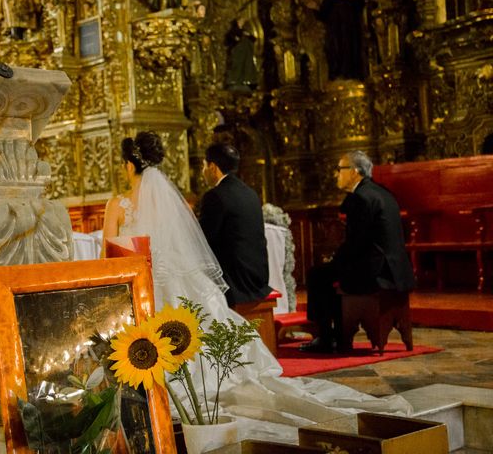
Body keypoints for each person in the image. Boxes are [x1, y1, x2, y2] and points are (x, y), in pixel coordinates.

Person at [102, 132, 413, 434]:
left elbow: (108, 259)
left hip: (145, 286)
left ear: (130, 165)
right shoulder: (180, 204)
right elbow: (193, 245)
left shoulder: (118, 206)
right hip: (188, 282)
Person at [299, 151, 415, 353]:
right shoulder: (383, 193)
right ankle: (337, 332)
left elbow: (356, 243)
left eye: (339, 169)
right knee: (333, 273)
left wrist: (336, 260)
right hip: (397, 269)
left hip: (376, 271)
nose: (336, 174)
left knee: (317, 275)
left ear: (354, 172)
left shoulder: (360, 197)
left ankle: (326, 337)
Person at [198, 142, 272, 306]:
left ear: (213, 167)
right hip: (258, 278)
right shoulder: (251, 193)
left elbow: (202, 241)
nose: (202, 172)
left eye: (203, 166)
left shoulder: (215, 196)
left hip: (235, 283)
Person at [307, 0, 365, 81]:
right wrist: (315, 8)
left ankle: (350, 75)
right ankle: (337, 76)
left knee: (348, 50)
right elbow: (324, 14)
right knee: (334, 51)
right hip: (334, 29)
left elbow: (362, 1)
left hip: (349, 27)